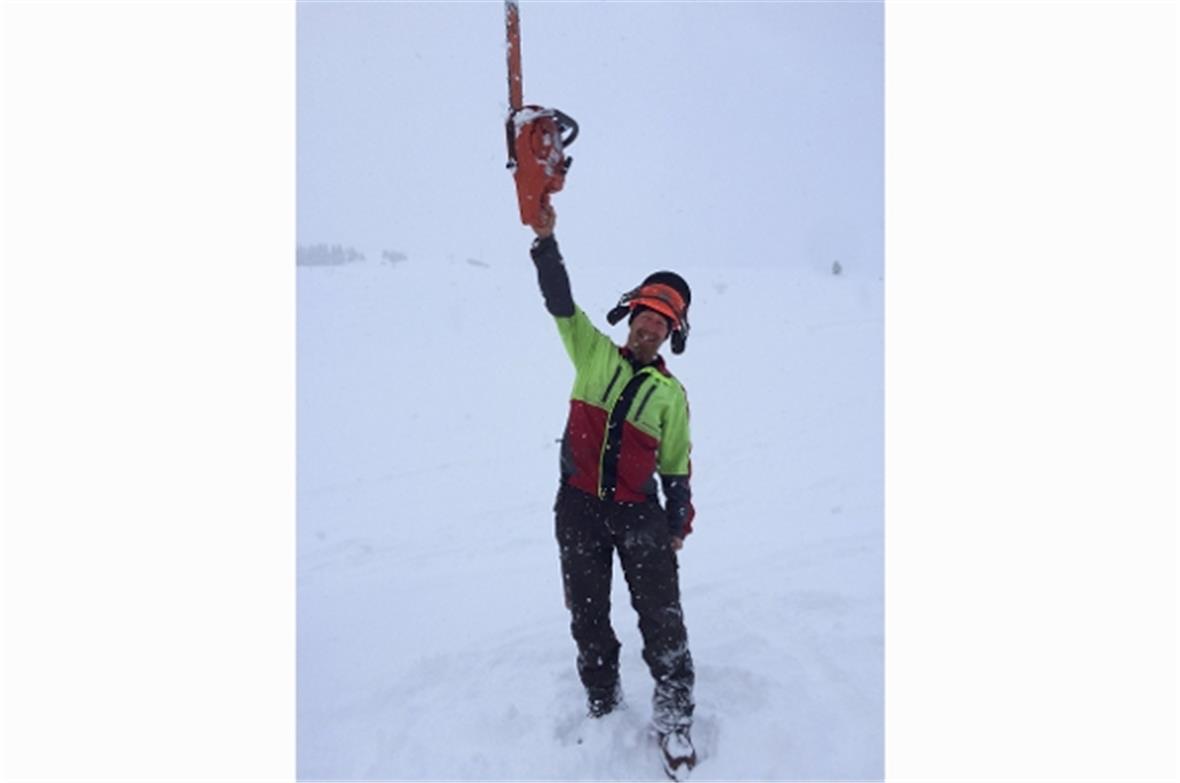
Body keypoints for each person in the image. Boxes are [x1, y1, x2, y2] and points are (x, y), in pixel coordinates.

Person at [527, 204, 697, 774]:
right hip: (577, 508)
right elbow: (559, 302)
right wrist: (545, 241)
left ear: (672, 333)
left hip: (637, 515)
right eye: (645, 316)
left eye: (662, 323)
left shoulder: (671, 397)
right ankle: (603, 698)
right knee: (589, 617)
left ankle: (674, 719)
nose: (650, 327)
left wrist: (675, 524)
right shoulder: (592, 351)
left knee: (662, 616)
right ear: (631, 317)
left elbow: (676, 467)